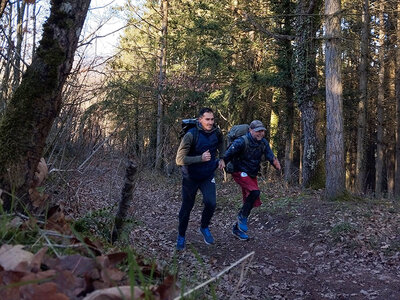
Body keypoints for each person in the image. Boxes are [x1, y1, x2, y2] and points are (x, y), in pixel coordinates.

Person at [175, 107, 225, 250]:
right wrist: (200, 158)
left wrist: (222, 158)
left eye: (212, 119)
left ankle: (203, 227)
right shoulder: (191, 135)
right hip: (190, 176)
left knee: (211, 203)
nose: (210, 122)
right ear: (200, 120)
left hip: (207, 175)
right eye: (207, 119)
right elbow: (179, 159)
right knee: (187, 207)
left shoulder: (216, 132)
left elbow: (222, 142)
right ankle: (181, 236)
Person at [222, 120, 281, 240]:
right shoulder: (241, 141)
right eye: (258, 131)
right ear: (250, 130)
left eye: (262, 131)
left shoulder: (263, 142)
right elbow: (228, 153)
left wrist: (275, 162)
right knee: (255, 192)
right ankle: (242, 217)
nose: (261, 133)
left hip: (251, 173)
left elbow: (269, 154)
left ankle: (237, 229)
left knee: (250, 200)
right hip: (239, 171)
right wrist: (222, 162)